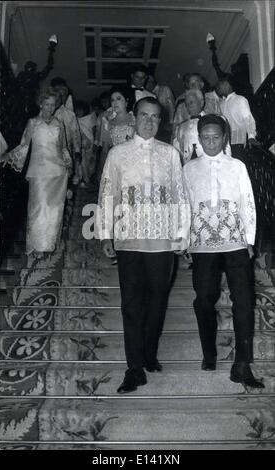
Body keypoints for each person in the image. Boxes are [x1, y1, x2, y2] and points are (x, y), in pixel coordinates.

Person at [98, 97, 189, 394]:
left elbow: (180, 195)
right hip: (129, 239)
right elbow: (107, 193)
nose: (149, 121)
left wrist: (182, 234)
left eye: (155, 117)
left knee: (157, 301)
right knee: (132, 304)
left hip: (162, 240)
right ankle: (134, 368)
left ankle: (149, 353)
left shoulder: (170, 153)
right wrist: (105, 233)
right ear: (134, 118)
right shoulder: (118, 154)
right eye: (144, 116)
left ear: (160, 122)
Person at [182, 114, 264, 389]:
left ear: (225, 138)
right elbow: (185, 207)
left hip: (236, 242)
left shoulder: (237, 166)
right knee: (205, 299)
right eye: (206, 137)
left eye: (216, 137)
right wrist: (185, 241)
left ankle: (242, 363)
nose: (211, 142)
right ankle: (209, 351)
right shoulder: (189, 169)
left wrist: (249, 239)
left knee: (243, 300)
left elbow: (247, 202)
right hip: (203, 244)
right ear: (199, 138)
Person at [3, 87, 72, 257]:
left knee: (55, 210)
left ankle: (49, 244)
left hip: (58, 172)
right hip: (39, 172)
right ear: (40, 104)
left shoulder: (59, 123)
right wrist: (7, 156)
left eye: (53, 105)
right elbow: (24, 146)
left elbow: (63, 148)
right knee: (38, 208)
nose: (50, 108)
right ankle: (37, 245)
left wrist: (69, 166)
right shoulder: (32, 123)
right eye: (46, 104)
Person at [96, 86, 135, 182]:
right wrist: (101, 171)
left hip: (133, 163)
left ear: (126, 101)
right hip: (115, 164)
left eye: (118, 98)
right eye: (112, 100)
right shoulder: (108, 123)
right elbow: (105, 150)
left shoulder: (135, 119)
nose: (115, 102)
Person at [216, 74, 259, 160]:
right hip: (224, 143)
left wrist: (251, 136)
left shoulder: (240, 100)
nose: (217, 88)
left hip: (237, 142)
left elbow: (248, 119)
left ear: (226, 84)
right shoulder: (220, 103)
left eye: (219, 85)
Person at [52, 81, 81, 183]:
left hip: (66, 156)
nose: (60, 97)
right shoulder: (45, 113)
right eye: (57, 93)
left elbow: (76, 138)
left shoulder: (70, 115)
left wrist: (77, 165)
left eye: (63, 95)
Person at [173, 89, 206, 165]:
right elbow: (176, 151)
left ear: (201, 102)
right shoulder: (181, 127)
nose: (188, 106)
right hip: (188, 166)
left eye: (191, 102)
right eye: (186, 104)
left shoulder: (215, 121)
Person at [74, 100, 97, 187]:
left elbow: (93, 130)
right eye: (77, 110)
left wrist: (94, 142)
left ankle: (86, 177)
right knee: (80, 160)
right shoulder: (74, 119)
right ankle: (82, 178)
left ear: (84, 110)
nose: (78, 112)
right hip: (79, 143)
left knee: (87, 161)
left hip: (88, 141)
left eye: (80, 110)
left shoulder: (89, 117)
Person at [146, 74, 175, 143]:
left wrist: (171, 122)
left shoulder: (164, 89)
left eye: (148, 82)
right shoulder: (147, 93)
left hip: (165, 125)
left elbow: (172, 106)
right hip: (154, 125)